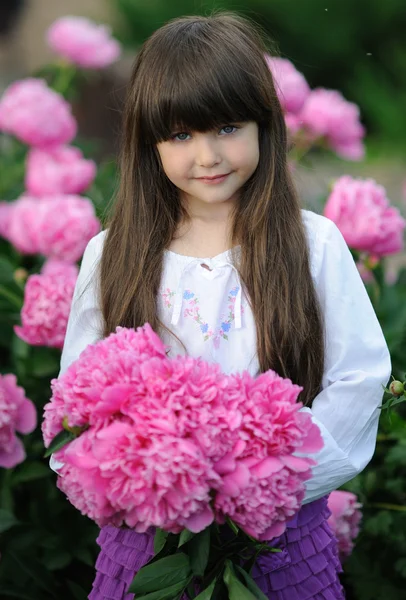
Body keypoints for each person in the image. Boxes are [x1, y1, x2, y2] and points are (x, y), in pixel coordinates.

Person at [51, 12, 391, 600]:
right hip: (151, 543)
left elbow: (360, 378)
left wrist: (274, 483)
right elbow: (79, 403)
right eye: (181, 135)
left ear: (265, 124)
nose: (208, 155)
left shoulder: (312, 244)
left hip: (279, 536)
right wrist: (133, 483)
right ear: (148, 142)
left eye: (228, 127)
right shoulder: (114, 255)